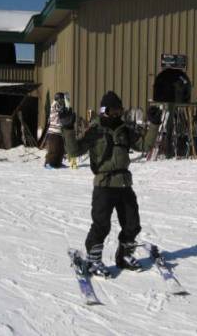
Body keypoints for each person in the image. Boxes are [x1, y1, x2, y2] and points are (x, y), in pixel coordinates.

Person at [60, 91, 161, 277]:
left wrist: (154, 124)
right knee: (101, 225)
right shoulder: (95, 131)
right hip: (104, 186)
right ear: (104, 110)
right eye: (113, 111)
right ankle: (93, 260)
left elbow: (145, 146)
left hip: (124, 185)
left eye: (119, 111)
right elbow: (73, 151)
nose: (117, 115)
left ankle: (124, 256)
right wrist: (67, 127)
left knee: (132, 224)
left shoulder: (124, 130)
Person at [45, 92, 66, 168]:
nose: (63, 101)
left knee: (60, 149)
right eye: (62, 99)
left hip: (59, 131)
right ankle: (48, 163)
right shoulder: (55, 104)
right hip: (54, 131)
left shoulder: (60, 105)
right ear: (58, 99)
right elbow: (60, 111)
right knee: (53, 149)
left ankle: (58, 162)